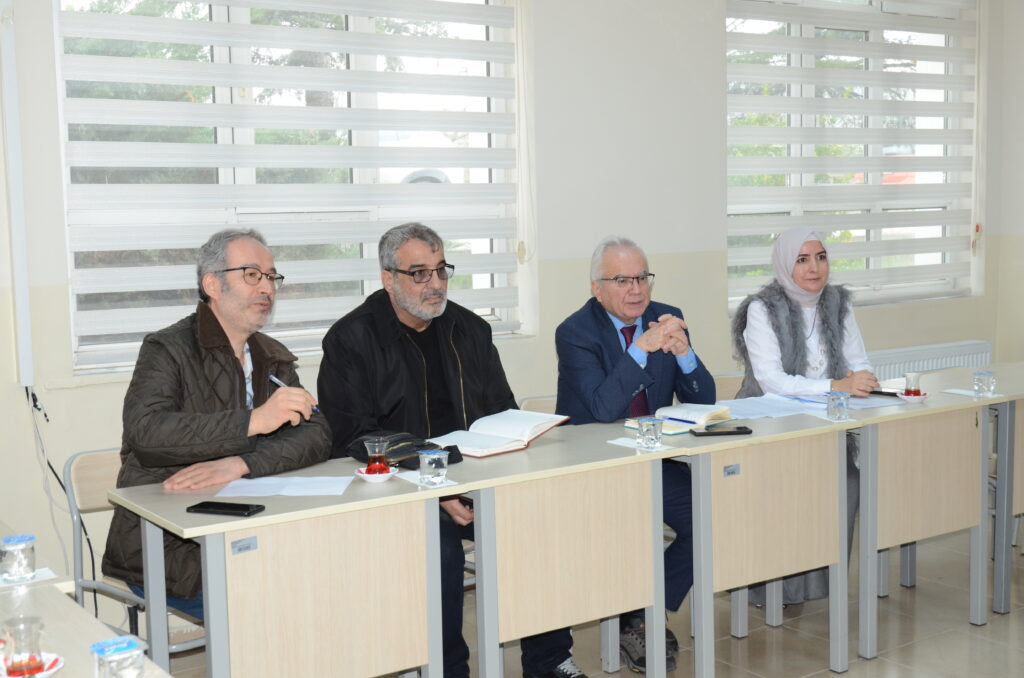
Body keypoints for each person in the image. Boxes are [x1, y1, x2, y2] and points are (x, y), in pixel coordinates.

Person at [317, 223, 586, 678]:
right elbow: (356, 437)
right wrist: (437, 486)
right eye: (419, 273)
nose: (436, 283)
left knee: (540, 520)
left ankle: (549, 662)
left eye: (442, 270)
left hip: (474, 478)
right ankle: (449, 670)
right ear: (388, 278)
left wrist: (514, 449)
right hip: (398, 487)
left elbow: (501, 411)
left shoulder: (470, 330)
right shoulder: (351, 340)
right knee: (441, 551)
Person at [102, 228, 332, 619]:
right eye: (252, 275)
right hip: (172, 545)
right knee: (275, 602)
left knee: (328, 574)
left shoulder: (271, 356)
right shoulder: (166, 349)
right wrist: (252, 421)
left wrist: (241, 464)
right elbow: (147, 432)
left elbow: (316, 433)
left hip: (252, 525)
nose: (267, 288)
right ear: (212, 285)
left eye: (271, 276)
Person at [555, 236, 716, 673]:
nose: (636, 289)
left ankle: (643, 612)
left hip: (651, 460)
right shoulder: (575, 332)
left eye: (642, 278)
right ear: (597, 288)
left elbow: (703, 400)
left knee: (711, 513)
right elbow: (604, 408)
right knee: (623, 532)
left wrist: (685, 355)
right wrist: (641, 348)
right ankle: (636, 616)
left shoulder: (668, 316)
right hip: (595, 464)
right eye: (622, 280)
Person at [731, 226, 878, 605]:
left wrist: (862, 380)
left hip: (825, 424)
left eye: (821, 257)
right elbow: (772, 381)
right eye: (802, 259)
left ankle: (820, 582)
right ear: (785, 264)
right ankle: (769, 588)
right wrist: (836, 386)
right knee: (785, 493)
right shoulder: (762, 309)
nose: (814, 268)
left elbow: (858, 360)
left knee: (847, 480)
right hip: (771, 426)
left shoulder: (839, 304)